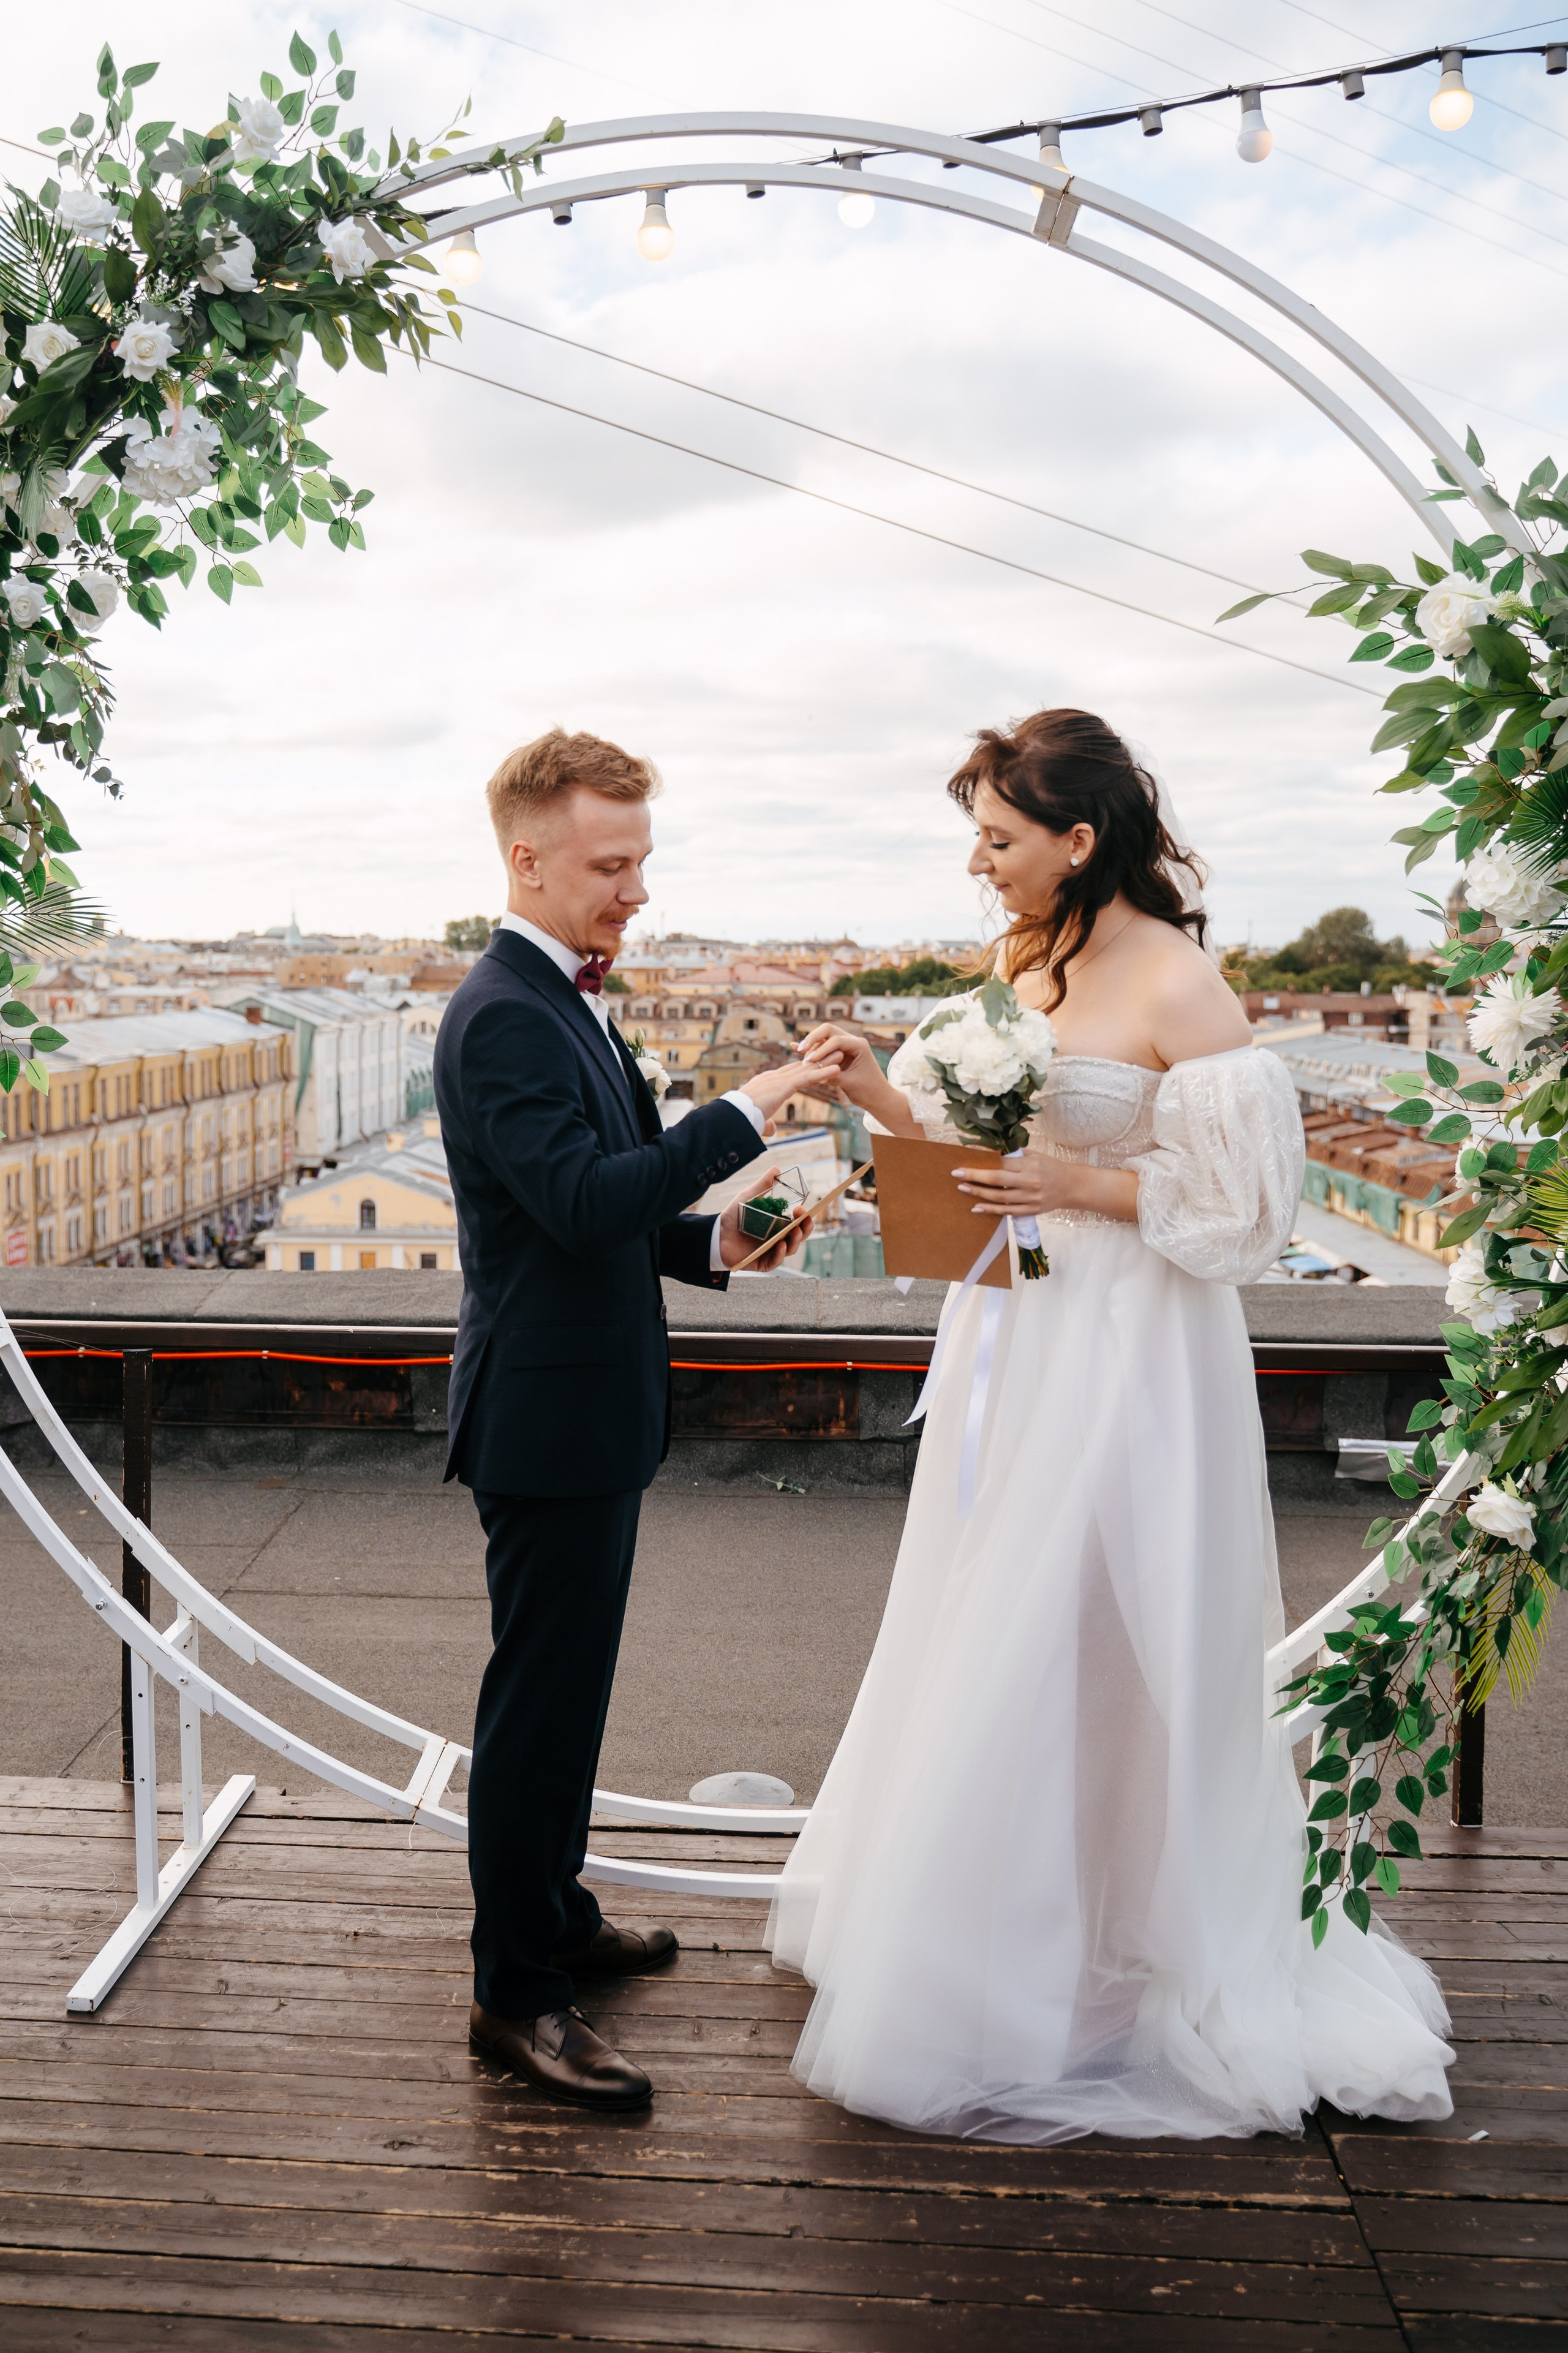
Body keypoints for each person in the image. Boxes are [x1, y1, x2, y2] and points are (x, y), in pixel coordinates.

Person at [770, 707, 1454, 2142]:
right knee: (994, 1613)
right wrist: (873, 1087)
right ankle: (1011, 1933)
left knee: (1108, 1625)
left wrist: (1078, 1188)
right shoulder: (1021, 963)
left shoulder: (1179, 984)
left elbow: (1243, 1213)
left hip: (1134, 1342)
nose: (977, 863)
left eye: (997, 838)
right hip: (1017, 1332)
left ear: (1077, 840)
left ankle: (1123, 1942)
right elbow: (969, 1165)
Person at [435, 727, 831, 2112]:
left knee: (570, 1696)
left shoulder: (564, 1002)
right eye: (612, 865)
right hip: (545, 1421)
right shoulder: (503, 1013)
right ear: (526, 859)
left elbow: (606, 1207)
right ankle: (513, 1993)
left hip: (586, 1409)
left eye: (642, 861)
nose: (637, 890)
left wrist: (720, 1242)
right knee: (537, 1711)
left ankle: (552, 1916)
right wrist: (749, 1108)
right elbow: (580, 1202)